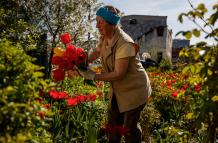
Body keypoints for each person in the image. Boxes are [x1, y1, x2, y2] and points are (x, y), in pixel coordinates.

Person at [79, 5, 152, 143]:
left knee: (129, 128)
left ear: (111, 23)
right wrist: (81, 62)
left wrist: (93, 76)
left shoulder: (124, 43)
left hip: (135, 90)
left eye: (100, 22)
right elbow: (96, 52)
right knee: (113, 125)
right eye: (96, 21)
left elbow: (119, 74)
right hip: (119, 90)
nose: (97, 26)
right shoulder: (105, 37)